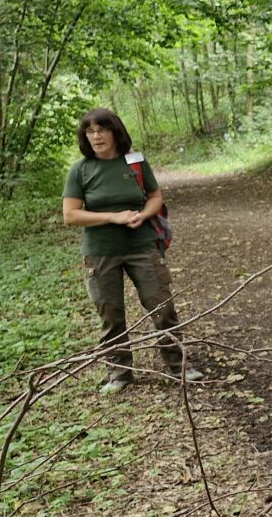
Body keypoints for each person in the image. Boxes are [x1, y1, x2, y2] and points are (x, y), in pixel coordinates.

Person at [62, 109, 201, 393]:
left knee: (161, 305)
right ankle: (119, 373)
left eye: (102, 129)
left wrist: (142, 215)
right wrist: (113, 217)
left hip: (141, 245)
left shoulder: (134, 162)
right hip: (100, 251)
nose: (96, 136)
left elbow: (155, 197)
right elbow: (71, 215)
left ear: (115, 132)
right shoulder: (80, 170)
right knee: (111, 314)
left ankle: (179, 366)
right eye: (90, 131)